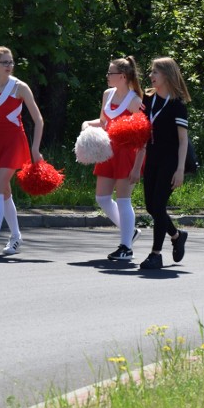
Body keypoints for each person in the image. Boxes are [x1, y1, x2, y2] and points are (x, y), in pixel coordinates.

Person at [0, 45, 44, 258]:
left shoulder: (20, 87)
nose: (10, 66)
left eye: (11, 62)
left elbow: (38, 119)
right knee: (4, 192)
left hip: (14, 141)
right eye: (5, 62)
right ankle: (15, 237)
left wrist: (35, 148)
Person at [80, 56, 145, 261]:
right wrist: (86, 125)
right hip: (107, 151)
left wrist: (137, 167)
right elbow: (103, 122)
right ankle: (130, 232)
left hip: (127, 154)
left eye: (111, 73)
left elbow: (143, 136)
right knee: (102, 198)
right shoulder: (107, 94)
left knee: (124, 200)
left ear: (123, 76)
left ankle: (126, 247)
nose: (107, 76)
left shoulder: (135, 101)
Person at [138, 57, 191, 270]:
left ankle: (156, 254)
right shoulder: (147, 100)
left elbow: (183, 140)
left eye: (155, 73)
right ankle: (177, 236)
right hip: (152, 157)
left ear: (167, 76)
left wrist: (180, 170)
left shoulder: (177, 105)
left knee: (159, 205)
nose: (151, 76)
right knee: (152, 206)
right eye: (151, 72)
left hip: (170, 160)